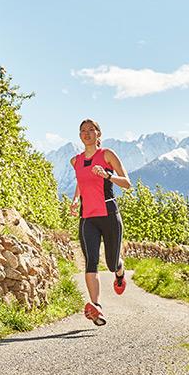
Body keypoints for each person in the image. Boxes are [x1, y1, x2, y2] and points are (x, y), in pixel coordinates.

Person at [70, 119, 132, 326]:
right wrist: (76, 198)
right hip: (87, 217)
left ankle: (120, 272)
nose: (87, 134)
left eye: (91, 130)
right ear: (80, 135)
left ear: (99, 134)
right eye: (83, 131)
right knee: (91, 262)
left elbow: (128, 184)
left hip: (109, 215)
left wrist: (107, 175)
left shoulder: (107, 155)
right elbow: (81, 181)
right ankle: (96, 307)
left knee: (111, 262)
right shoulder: (75, 161)